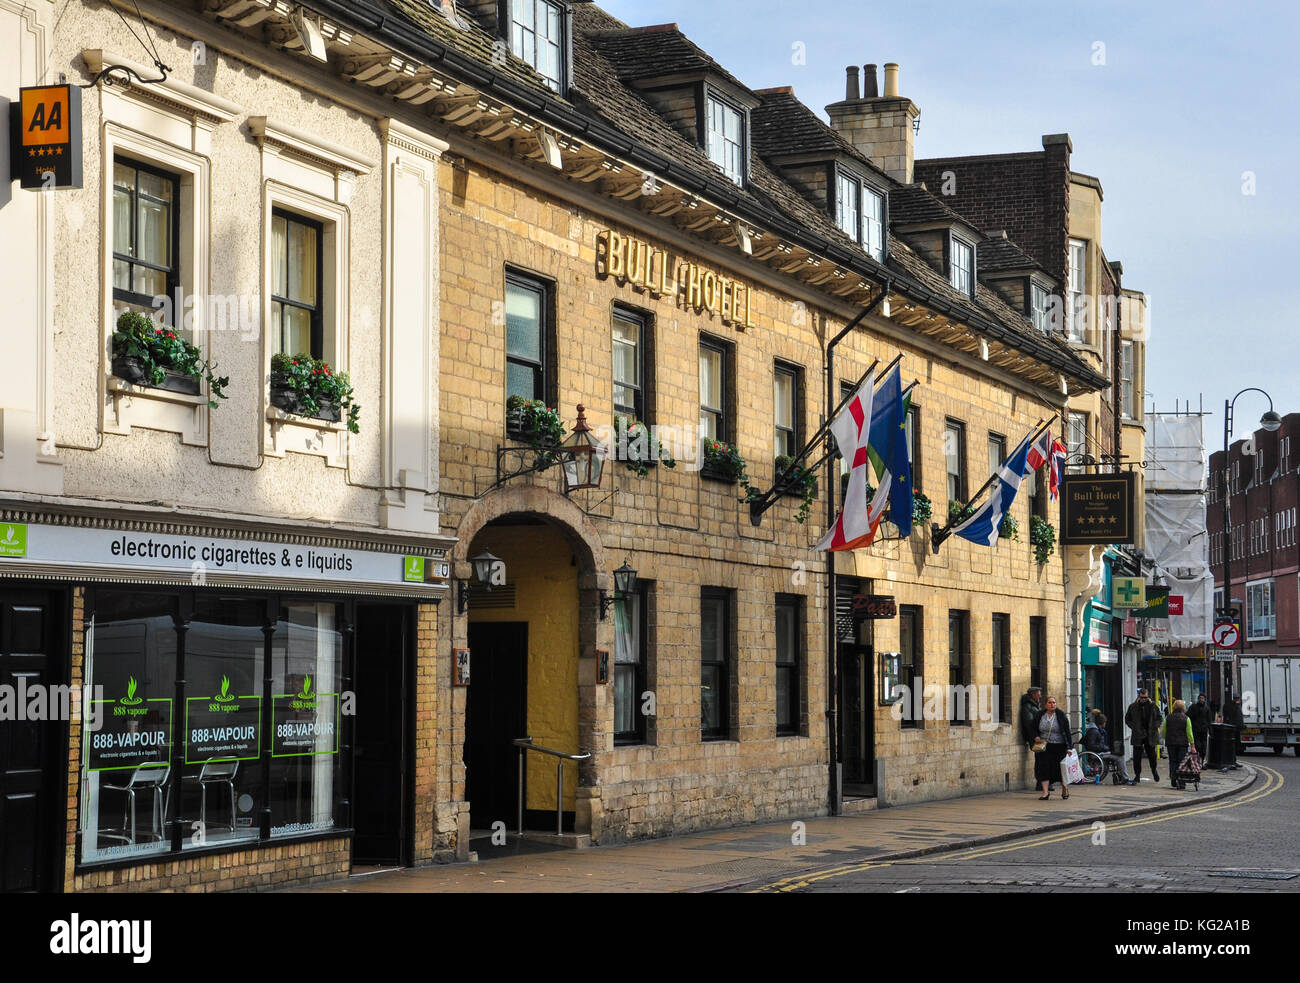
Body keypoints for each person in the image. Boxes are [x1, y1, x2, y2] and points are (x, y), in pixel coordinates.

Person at [1032, 696, 1073, 799]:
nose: (1052, 704)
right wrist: (1036, 736)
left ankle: (1064, 789)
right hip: (1044, 747)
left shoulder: (1060, 715)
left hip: (1059, 746)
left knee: (1061, 769)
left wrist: (1069, 747)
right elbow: (1033, 727)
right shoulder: (1040, 715)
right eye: (1050, 702)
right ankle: (1045, 792)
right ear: (1045, 704)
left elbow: (1067, 732)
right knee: (1043, 768)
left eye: (1054, 702)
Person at [1084, 712, 1137, 784]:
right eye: (1105, 722)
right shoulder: (1094, 731)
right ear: (1102, 723)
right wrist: (1104, 748)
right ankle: (1125, 778)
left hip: (1099, 752)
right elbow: (1091, 745)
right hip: (1096, 754)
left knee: (1118, 754)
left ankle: (1122, 776)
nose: (1105, 724)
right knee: (1120, 757)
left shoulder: (1097, 730)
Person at [1124, 689, 1162, 783]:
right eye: (1142, 697)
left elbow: (1159, 717)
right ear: (1139, 696)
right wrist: (1134, 727)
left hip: (1150, 734)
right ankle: (1137, 775)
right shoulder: (1133, 706)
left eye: (1145, 697)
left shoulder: (1153, 706)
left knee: (1152, 756)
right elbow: (1127, 718)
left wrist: (1155, 726)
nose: (1144, 699)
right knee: (1137, 757)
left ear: (1148, 696)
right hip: (1138, 735)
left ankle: (1154, 771)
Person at [1162, 699, 1196, 789]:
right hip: (1182, 744)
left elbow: (1164, 731)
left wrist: (1166, 738)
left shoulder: (1168, 717)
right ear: (1183, 708)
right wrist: (1192, 745)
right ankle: (1181, 782)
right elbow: (1189, 733)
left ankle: (1173, 776)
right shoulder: (1186, 719)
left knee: (1172, 760)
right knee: (1182, 762)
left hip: (1171, 743)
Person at [1188, 693, 1211, 760]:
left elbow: (1209, 720)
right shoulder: (1193, 707)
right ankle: (1198, 761)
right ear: (1198, 699)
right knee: (1197, 746)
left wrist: (1210, 730)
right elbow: (1188, 717)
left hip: (1203, 730)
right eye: (1200, 698)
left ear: (1205, 699)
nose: (1201, 699)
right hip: (1195, 730)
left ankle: (1201, 761)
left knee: (1204, 747)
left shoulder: (1207, 708)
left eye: (1203, 698)